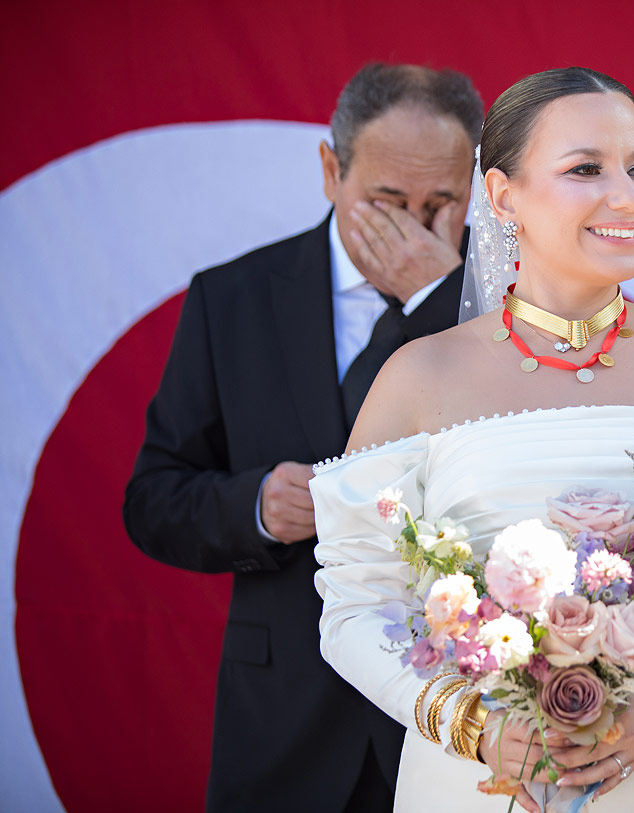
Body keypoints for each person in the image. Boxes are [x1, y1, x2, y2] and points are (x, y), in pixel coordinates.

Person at [309, 67, 634, 812]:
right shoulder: (416, 377)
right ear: (503, 197)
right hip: (483, 780)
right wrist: (474, 724)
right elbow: (355, 607)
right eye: (586, 169)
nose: (628, 197)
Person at [122, 63, 483, 811]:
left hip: (451, 721)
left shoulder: (503, 303)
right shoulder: (233, 298)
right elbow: (153, 499)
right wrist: (255, 506)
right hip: (282, 723)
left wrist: (439, 293)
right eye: (388, 201)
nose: (413, 229)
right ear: (330, 170)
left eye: (440, 204)